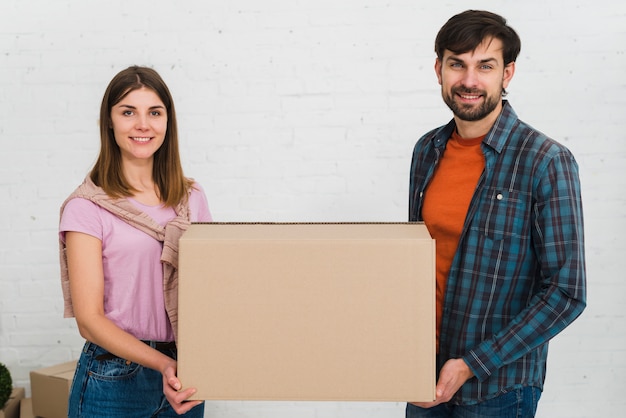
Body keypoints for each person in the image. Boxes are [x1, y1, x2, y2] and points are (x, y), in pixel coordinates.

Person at [407, 10, 586, 417]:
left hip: (499, 388)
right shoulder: (427, 151)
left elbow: (566, 293)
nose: (469, 81)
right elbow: (418, 264)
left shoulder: (546, 160)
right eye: (457, 64)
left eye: (485, 66)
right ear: (439, 69)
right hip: (423, 377)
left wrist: (472, 364)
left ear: (507, 74)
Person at [58, 66, 211, 417]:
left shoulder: (192, 198)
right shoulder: (86, 208)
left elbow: (208, 290)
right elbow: (89, 319)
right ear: (109, 122)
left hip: (186, 372)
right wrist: (163, 365)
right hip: (113, 378)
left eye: (154, 112)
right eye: (128, 112)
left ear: (167, 122)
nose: (143, 124)